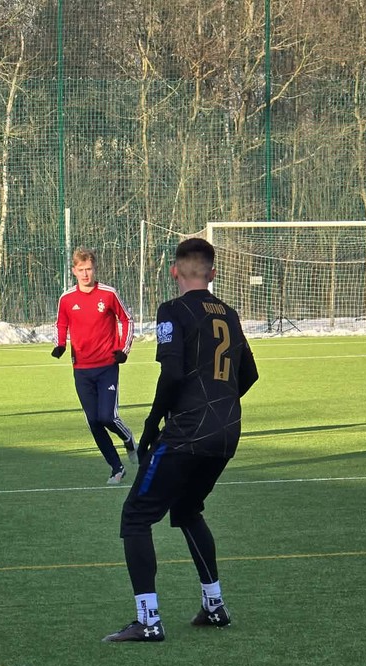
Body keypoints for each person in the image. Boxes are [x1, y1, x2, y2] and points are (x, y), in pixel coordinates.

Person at [104, 237, 259, 643]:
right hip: (226, 431)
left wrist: (153, 423)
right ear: (213, 273)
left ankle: (148, 620)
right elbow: (250, 374)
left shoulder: (172, 310)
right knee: (188, 510)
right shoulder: (230, 313)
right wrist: (221, 404)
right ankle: (215, 606)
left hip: (188, 431)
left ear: (174, 271)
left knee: (136, 517)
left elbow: (172, 374)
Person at [52, 248, 136, 485]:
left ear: (95, 268)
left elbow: (127, 319)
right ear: (74, 271)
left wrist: (123, 350)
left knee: (107, 417)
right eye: (81, 270)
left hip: (107, 365)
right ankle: (116, 467)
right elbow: (61, 323)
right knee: (94, 421)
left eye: (89, 269)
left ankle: (128, 439)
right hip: (81, 369)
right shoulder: (67, 298)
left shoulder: (108, 294)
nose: (85, 274)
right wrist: (60, 344)